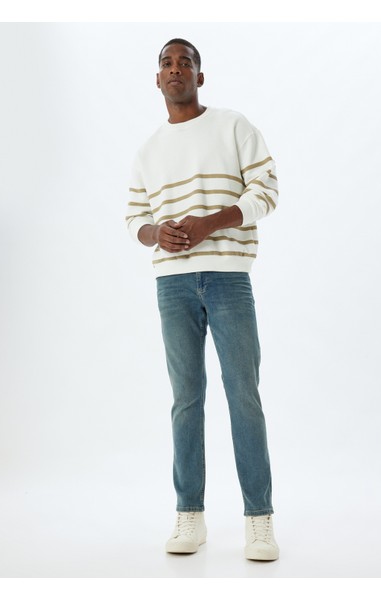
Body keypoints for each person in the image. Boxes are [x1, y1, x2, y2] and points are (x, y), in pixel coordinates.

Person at [126, 38, 280, 561]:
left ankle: (259, 520)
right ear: (157, 79)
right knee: (186, 400)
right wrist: (156, 234)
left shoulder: (234, 126)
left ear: (200, 75)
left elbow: (267, 190)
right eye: (166, 63)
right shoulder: (148, 151)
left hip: (228, 277)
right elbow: (134, 218)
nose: (176, 69)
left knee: (243, 396)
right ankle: (189, 513)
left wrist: (211, 223)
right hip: (172, 283)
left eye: (185, 62)